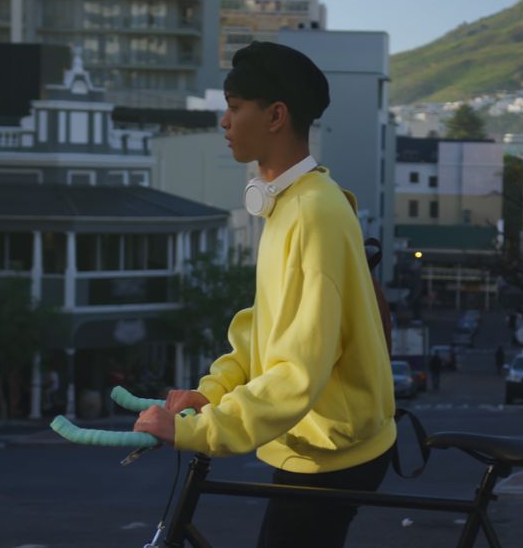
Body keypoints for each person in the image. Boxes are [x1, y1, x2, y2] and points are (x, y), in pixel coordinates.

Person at [133, 41, 396, 548]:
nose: (224, 123)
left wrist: (196, 431)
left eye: (234, 108)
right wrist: (213, 391)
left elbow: (298, 372)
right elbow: (266, 325)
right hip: (313, 445)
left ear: (276, 115)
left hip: (332, 455)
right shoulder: (290, 203)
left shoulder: (313, 212)